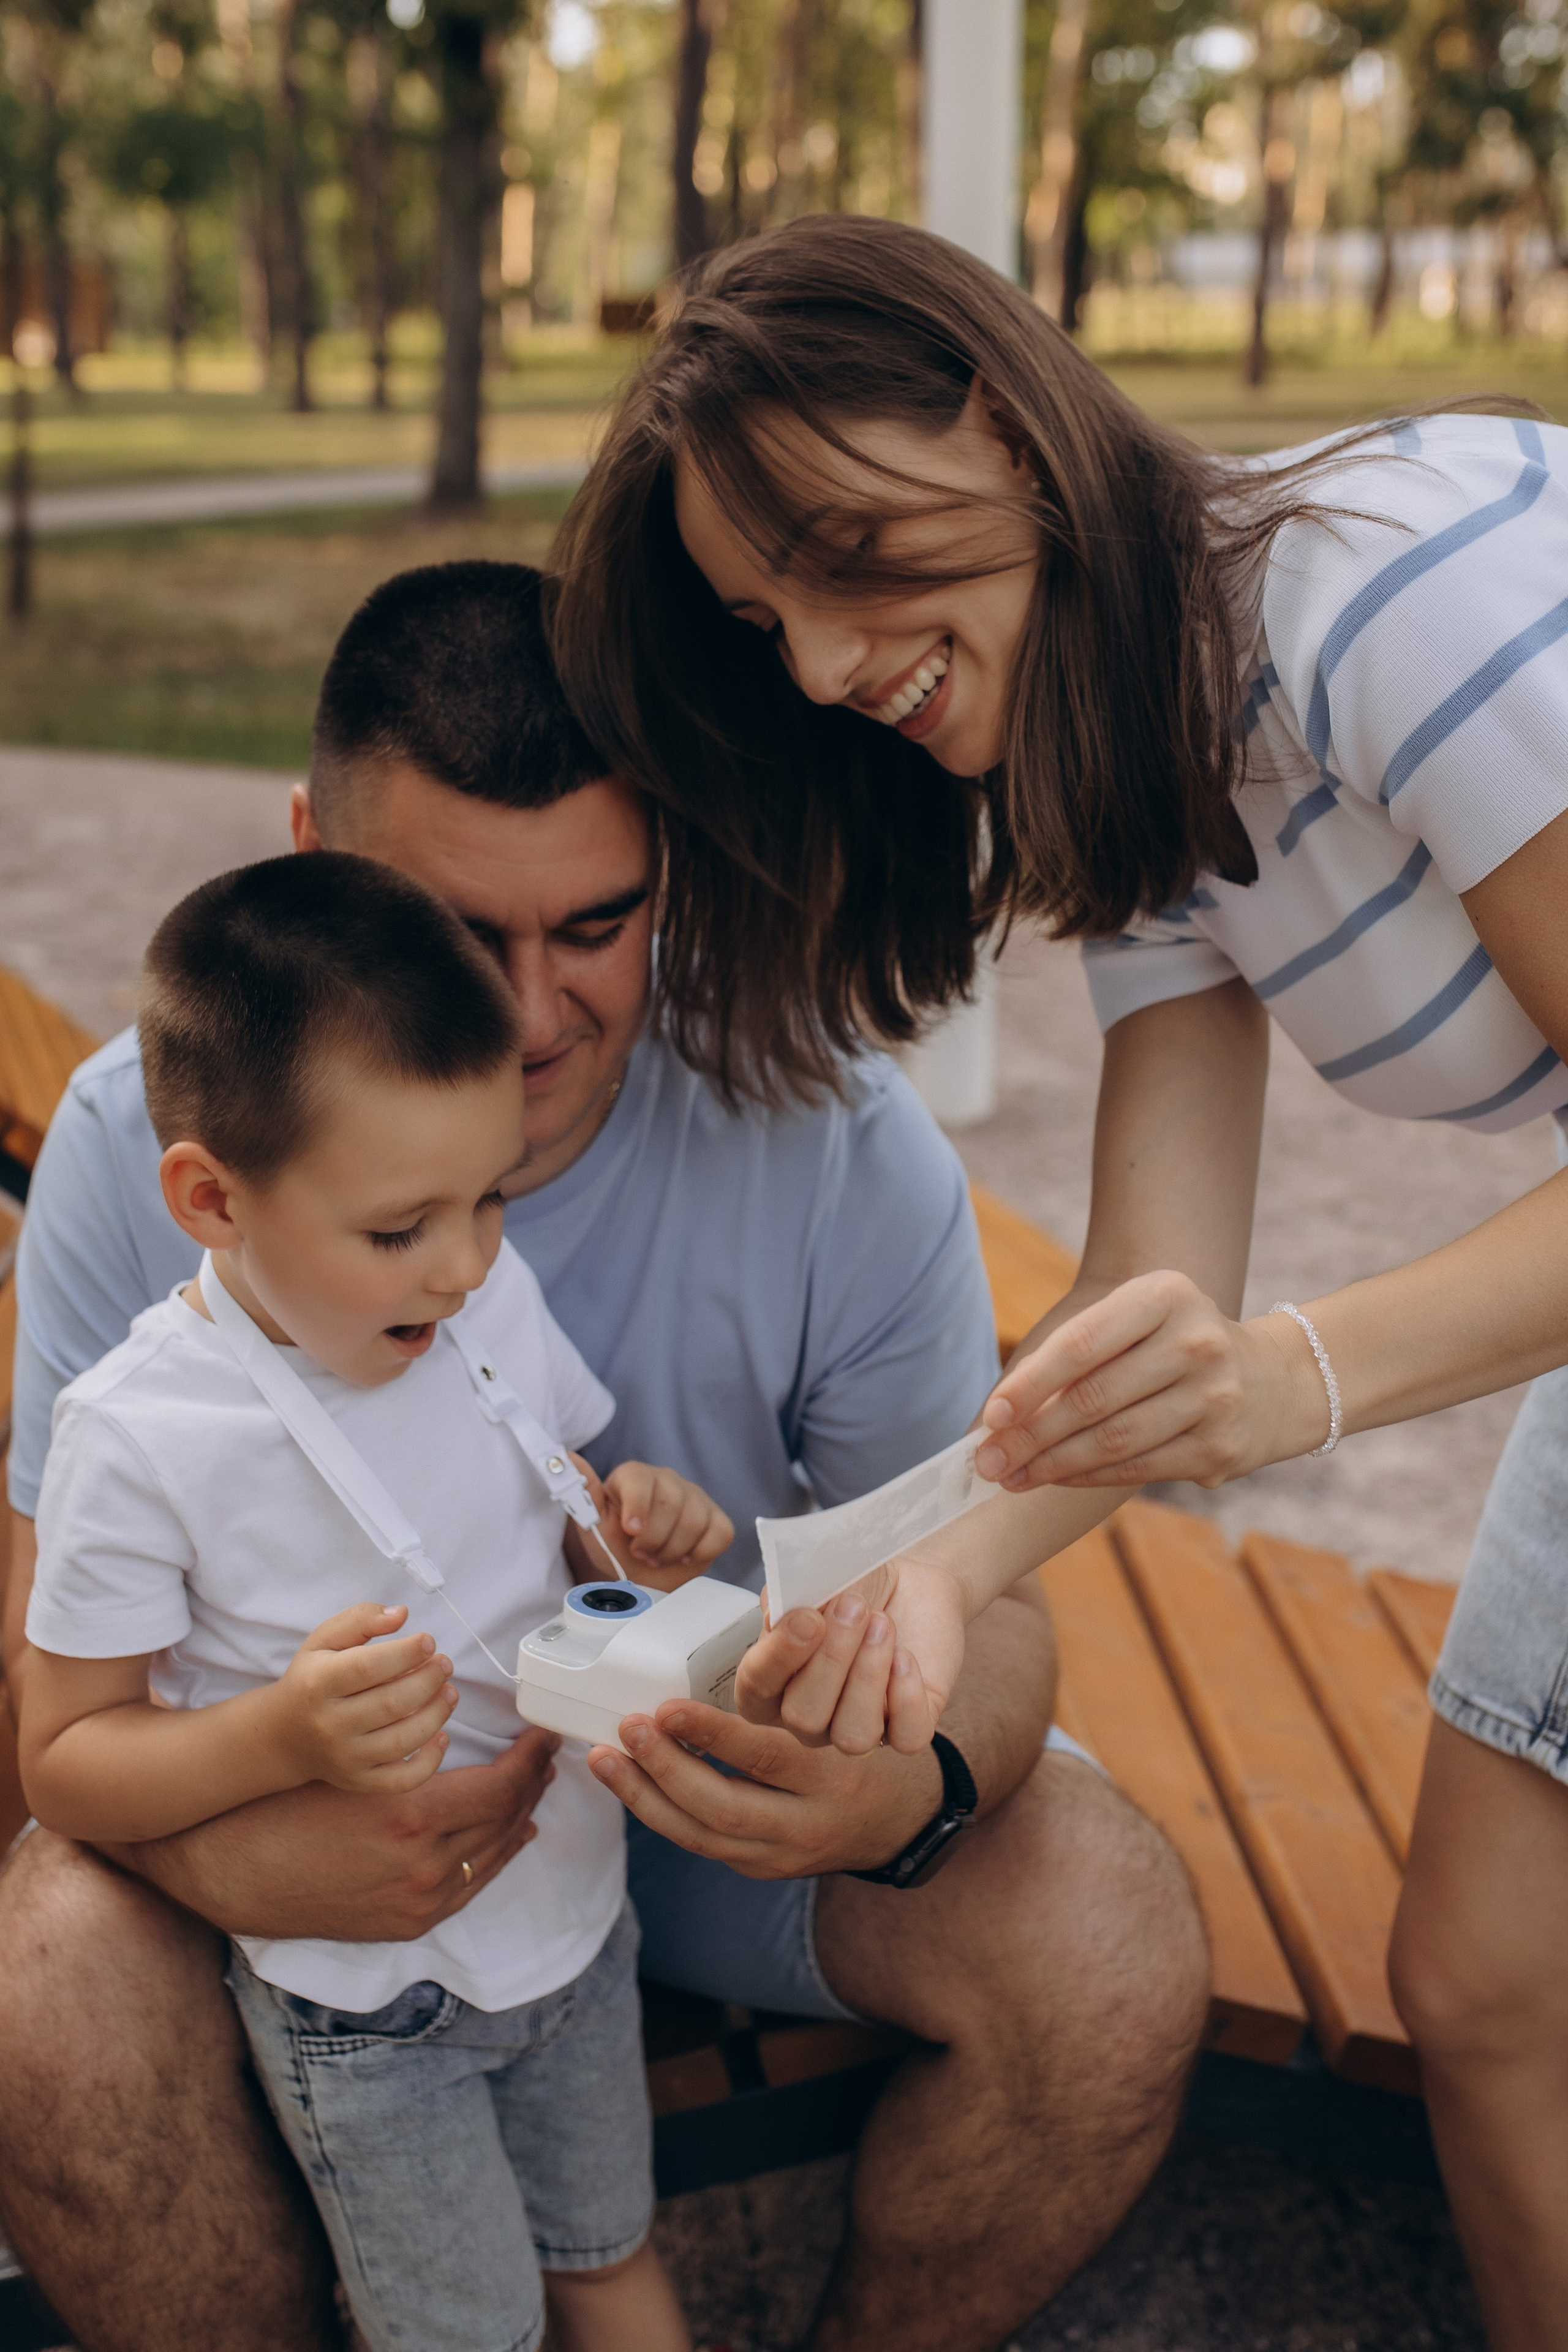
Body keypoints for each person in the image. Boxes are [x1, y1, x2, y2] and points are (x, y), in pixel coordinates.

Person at [548, 211, 1568, 2350]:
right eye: (765, 622)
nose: (820, 665)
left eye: (838, 558)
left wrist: (1296, 1382)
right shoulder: (1145, 761)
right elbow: (1149, 1296)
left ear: (997, 419)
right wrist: (934, 1576)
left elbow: (1238, 1362)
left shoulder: (1386, 596)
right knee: (1487, 1988)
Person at [0, 562, 1207, 2352]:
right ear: (309, 855)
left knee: (1109, 1936)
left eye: (597, 925)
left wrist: (906, 1791)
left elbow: (999, 1613)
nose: (535, 1013)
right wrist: (228, 1859)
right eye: (454, 934)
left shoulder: (840, 1142)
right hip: (307, 1842)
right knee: (49, 1986)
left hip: (716, 1822)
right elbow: (53, 1677)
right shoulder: (152, 1141)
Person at [21, 850, 735, 2352]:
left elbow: (560, 1533)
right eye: (402, 1230)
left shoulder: (484, 1295)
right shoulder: (139, 1437)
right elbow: (64, 1760)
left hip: (572, 1921)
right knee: (466, 2331)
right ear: (212, 1197)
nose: (468, 1262)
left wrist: (628, 1545)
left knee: (607, 2254)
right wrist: (283, 1735)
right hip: (363, 2003)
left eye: (490, 1197)